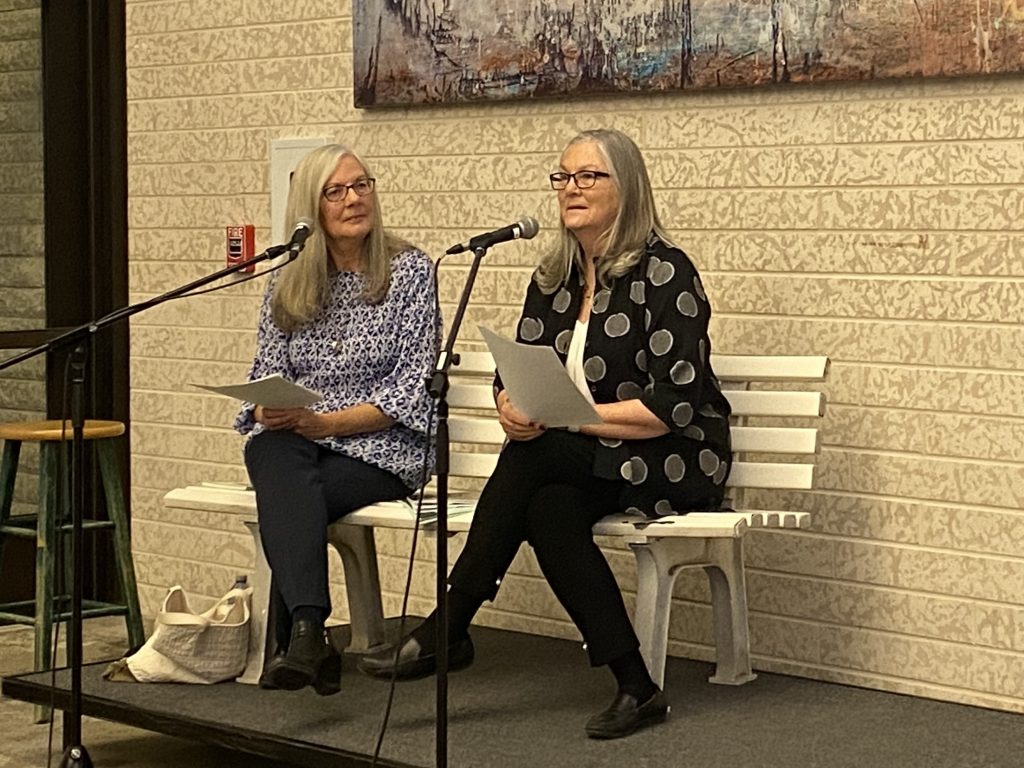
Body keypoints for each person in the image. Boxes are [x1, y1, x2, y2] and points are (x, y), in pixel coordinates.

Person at [358, 128, 732, 738]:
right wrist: (510, 408)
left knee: (541, 461)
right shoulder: (553, 275)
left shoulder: (667, 274)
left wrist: (565, 421)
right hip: (582, 459)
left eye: (588, 177)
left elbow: (672, 406)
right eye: (563, 177)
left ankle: (449, 625)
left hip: (674, 455)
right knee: (550, 511)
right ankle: (637, 687)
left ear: (627, 187)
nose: (570, 189)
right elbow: (520, 370)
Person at [235, 144, 439, 695]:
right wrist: (264, 407)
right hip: (298, 444)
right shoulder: (287, 280)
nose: (354, 199)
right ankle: (308, 632)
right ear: (312, 208)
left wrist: (326, 424)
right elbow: (264, 373)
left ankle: (303, 637)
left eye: (361, 186)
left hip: (382, 447)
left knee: (290, 495)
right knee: (268, 449)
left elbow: (412, 388)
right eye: (337, 191)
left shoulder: (410, 271)